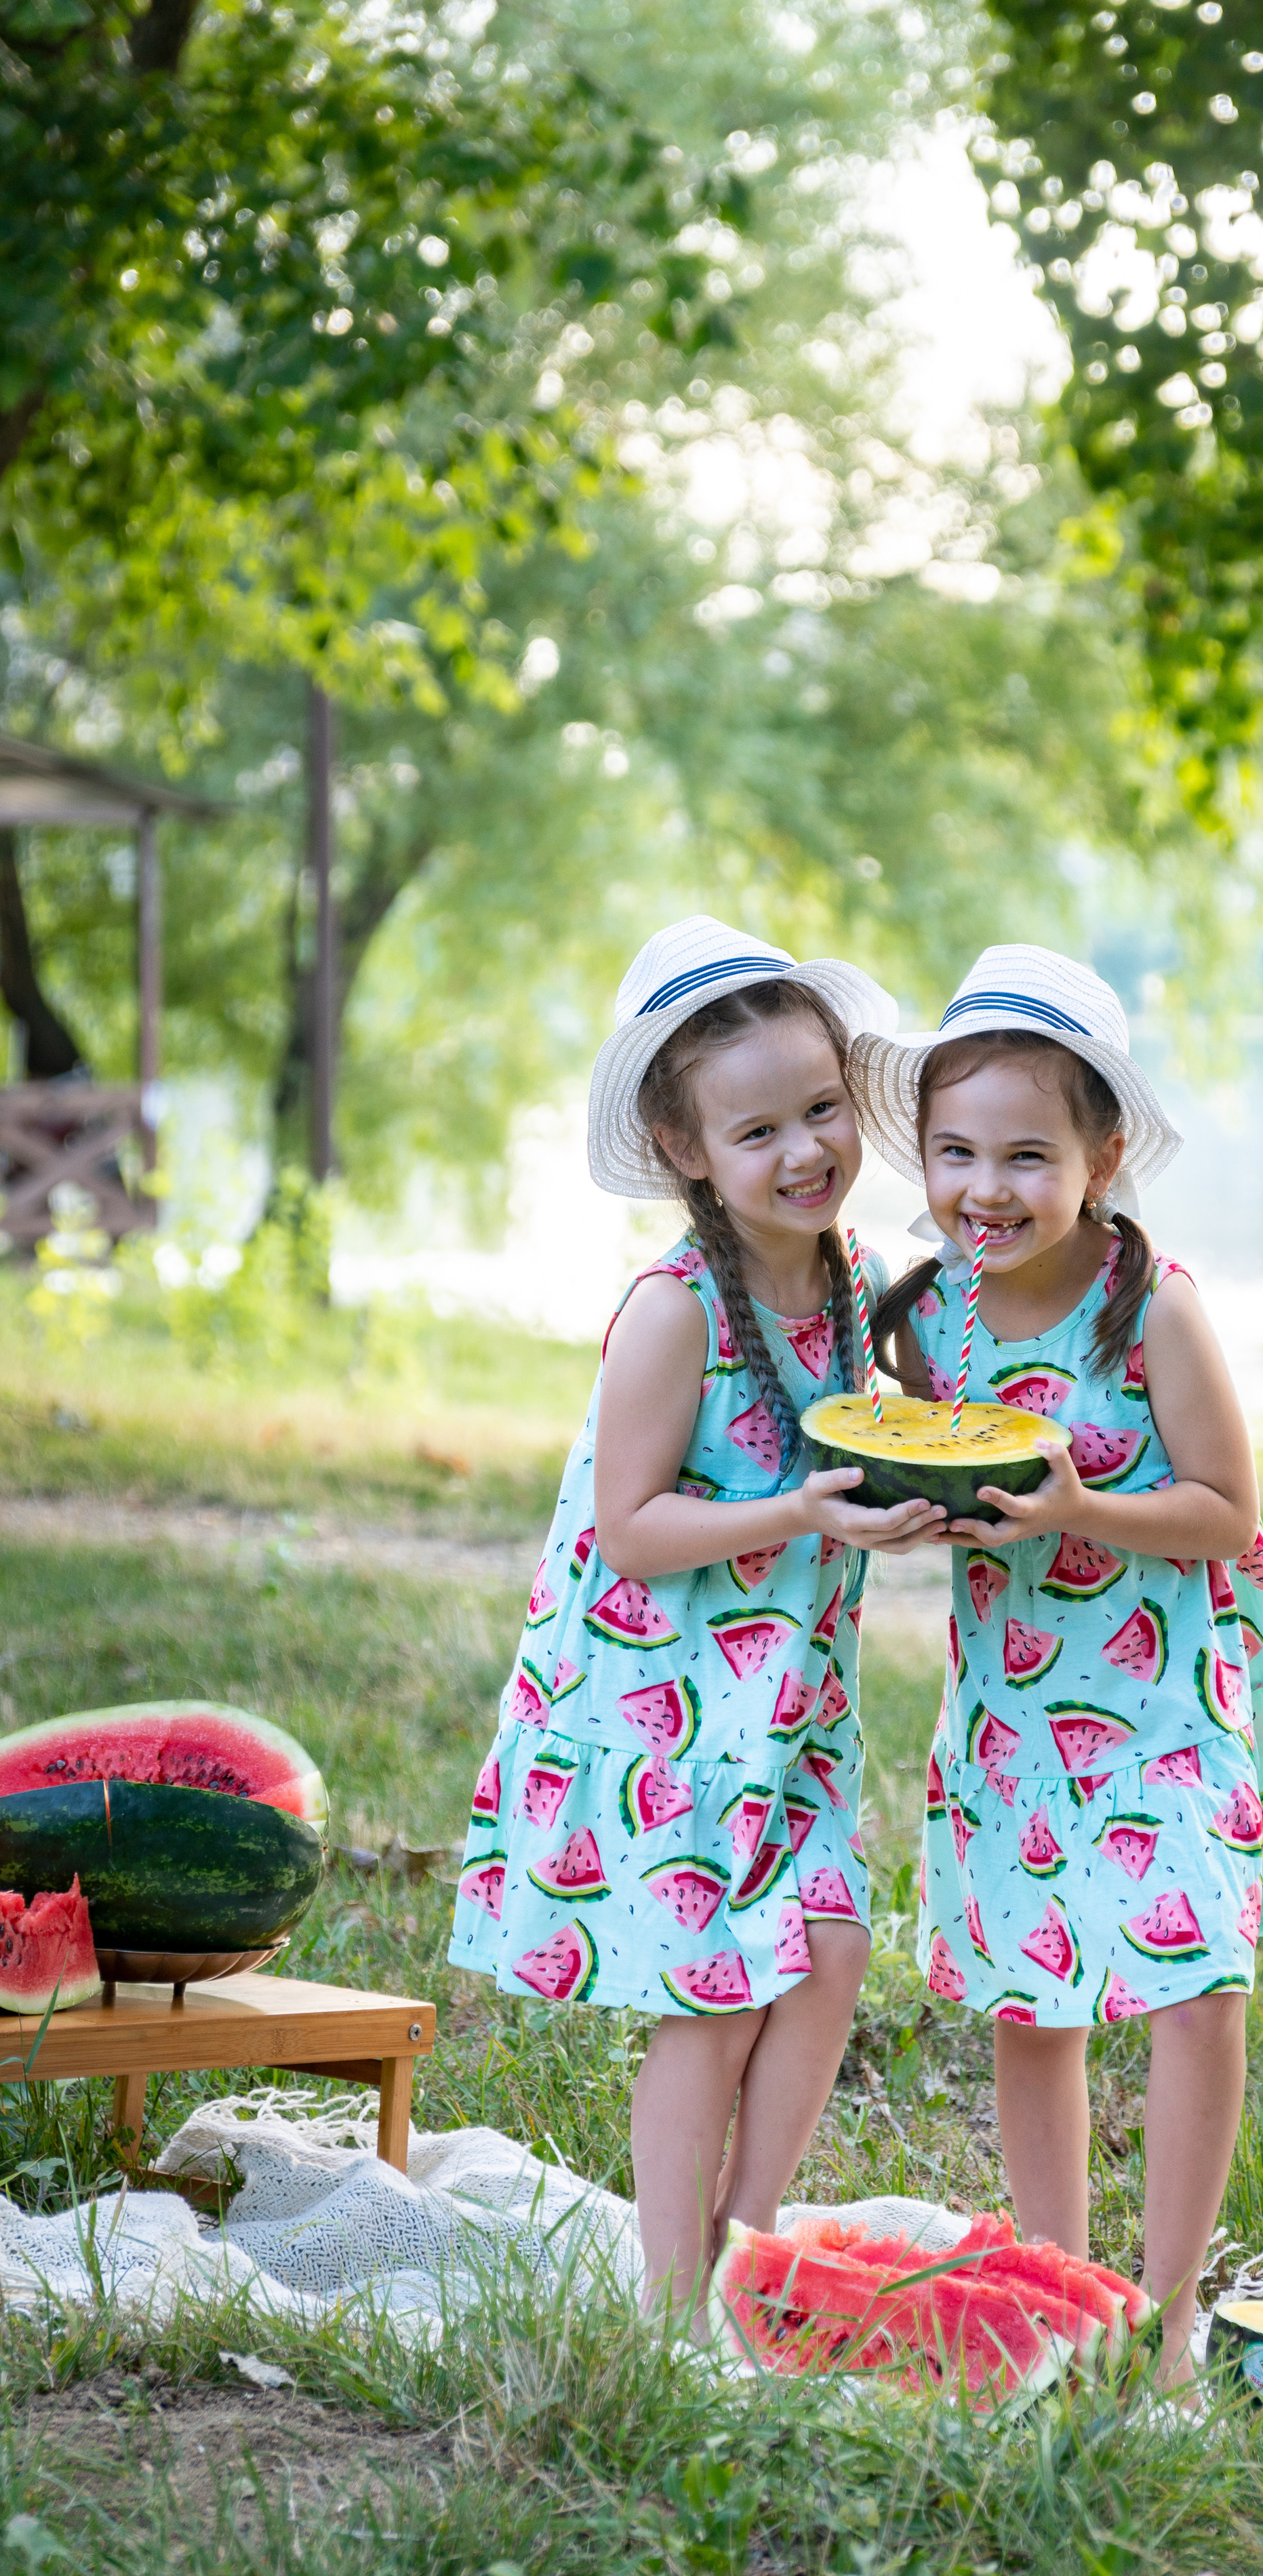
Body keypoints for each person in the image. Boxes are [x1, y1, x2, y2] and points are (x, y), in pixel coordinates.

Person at [856, 943, 1263, 2386]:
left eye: (1024, 1154)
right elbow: (936, 1486)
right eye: (954, 1153)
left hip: (1162, 1701)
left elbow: (1224, 1512)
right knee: (1035, 1998)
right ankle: (1060, 2293)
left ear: (1102, 1155)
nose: (984, 1189)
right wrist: (903, 1516)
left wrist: (1080, 1507)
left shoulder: (1151, 1307)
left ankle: (1170, 2303)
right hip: (1010, 1708)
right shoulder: (926, 1314)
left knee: (1196, 1985)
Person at [449, 917, 944, 2325]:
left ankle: (748, 2236)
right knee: (717, 1994)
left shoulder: (851, 1279)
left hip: (785, 1702)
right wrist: (800, 1513)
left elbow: (874, 1430)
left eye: (822, 1112)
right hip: (652, 1704)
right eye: (758, 1131)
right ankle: (676, 2307)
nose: (803, 1152)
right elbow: (630, 1527)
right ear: (685, 1148)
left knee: (835, 1947)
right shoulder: (672, 1314)